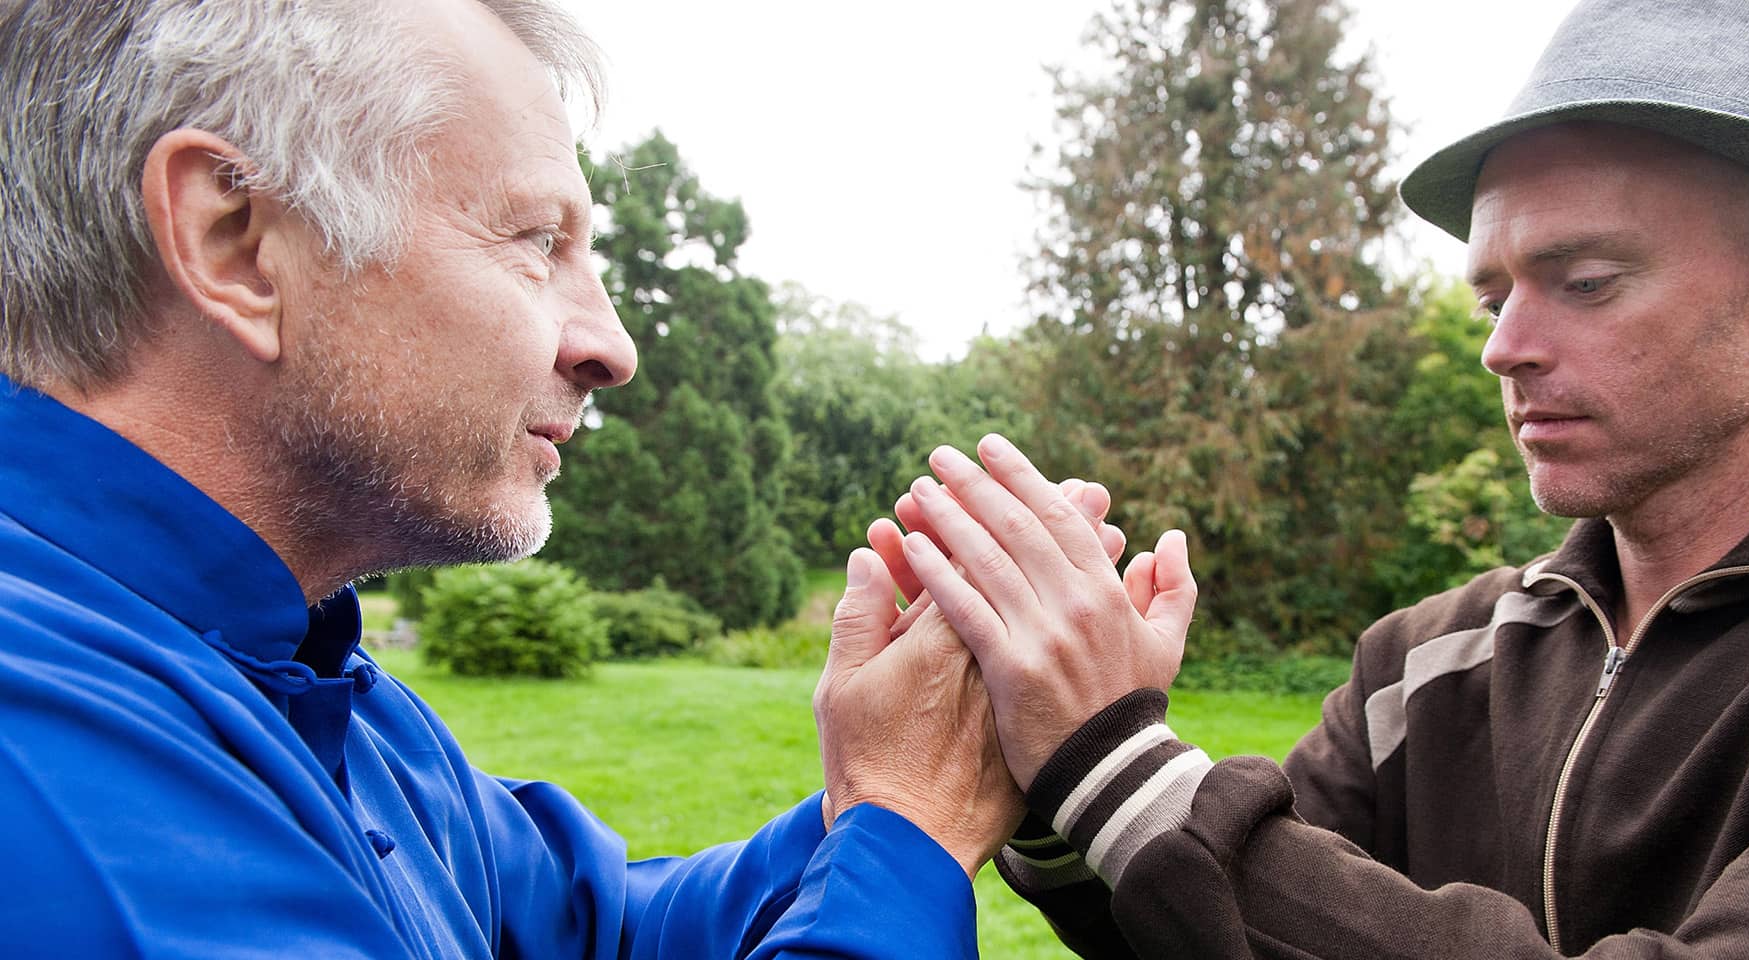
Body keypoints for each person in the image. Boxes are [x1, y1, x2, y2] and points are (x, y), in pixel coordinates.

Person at [0, 1, 1066, 955]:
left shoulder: (307, 685)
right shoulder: (50, 769)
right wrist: (910, 828)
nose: (611, 344)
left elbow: (610, 930)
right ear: (234, 242)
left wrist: (889, 784)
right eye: (536, 240)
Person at [867, 0, 1749, 956]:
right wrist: (1040, 759)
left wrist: (1110, 757)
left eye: (1586, 281)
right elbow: (1222, 924)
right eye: (1489, 298)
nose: (1502, 349)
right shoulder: (1424, 660)